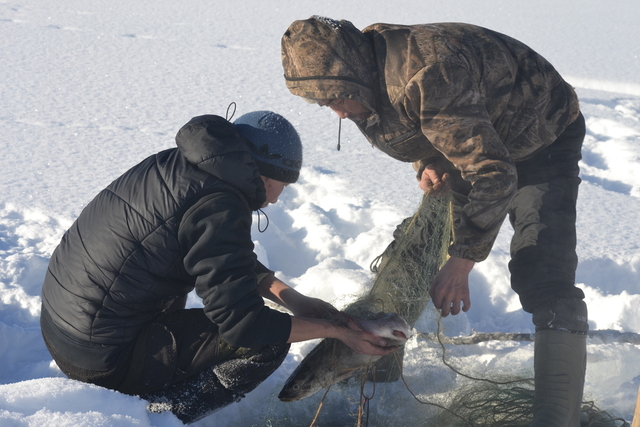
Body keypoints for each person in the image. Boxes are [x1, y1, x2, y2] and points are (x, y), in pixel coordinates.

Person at [281, 16, 588, 426]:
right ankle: (380, 372)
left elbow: (495, 173)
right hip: (476, 136)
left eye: (336, 97)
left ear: (351, 72)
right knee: (418, 251)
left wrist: (462, 261)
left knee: (543, 270)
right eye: (323, 104)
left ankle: (556, 417)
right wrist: (428, 160)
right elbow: (418, 126)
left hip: (540, 133)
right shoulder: (364, 76)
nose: (336, 112)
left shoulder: (427, 74)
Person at [40, 110, 396, 424]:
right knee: (267, 342)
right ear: (261, 172)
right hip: (100, 355)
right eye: (281, 184)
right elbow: (246, 327)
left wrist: (293, 299)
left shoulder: (185, 166)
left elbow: (219, 255)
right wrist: (335, 331)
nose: (278, 196)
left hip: (64, 326)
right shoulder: (219, 204)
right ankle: (158, 417)